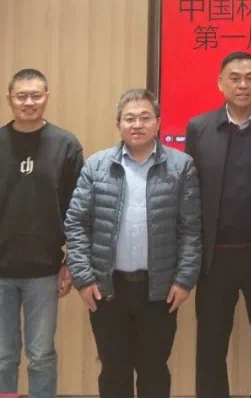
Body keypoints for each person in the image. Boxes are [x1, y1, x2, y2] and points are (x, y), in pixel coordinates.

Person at [64, 88, 202, 398]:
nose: (137, 124)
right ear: (118, 124)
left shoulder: (181, 166)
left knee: (154, 371)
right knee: (114, 371)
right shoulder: (96, 166)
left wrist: (184, 280)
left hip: (159, 289)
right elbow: (75, 224)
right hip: (107, 289)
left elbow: (191, 230)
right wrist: (83, 279)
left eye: (144, 118)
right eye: (129, 119)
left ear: (158, 123)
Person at [0, 68, 84, 398]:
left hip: (44, 270)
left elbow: (78, 211)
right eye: (21, 96)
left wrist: (70, 263)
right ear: (10, 99)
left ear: (46, 97)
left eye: (36, 95)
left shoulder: (66, 145)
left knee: (41, 356)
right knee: (3, 359)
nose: (29, 102)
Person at [185, 51, 251, 398]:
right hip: (215, 258)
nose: (242, 84)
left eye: (249, 77)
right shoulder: (199, 128)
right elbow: (190, 194)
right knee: (211, 346)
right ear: (220, 83)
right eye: (234, 78)